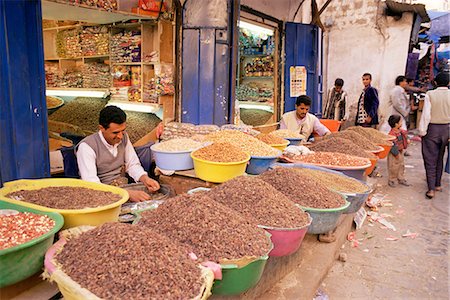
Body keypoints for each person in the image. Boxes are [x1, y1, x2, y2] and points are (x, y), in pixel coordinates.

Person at [77, 106, 160, 202]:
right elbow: (92, 184)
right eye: (115, 132)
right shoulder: (87, 147)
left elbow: (132, 164)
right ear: (102, 128)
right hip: (100, 196)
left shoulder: (124, 137)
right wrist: (127, 194)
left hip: (123, 187)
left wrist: (145, 179)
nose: (120, 136)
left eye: (123, 130)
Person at [418, 72, 450, 199]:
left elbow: (426, 114)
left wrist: (422, 131)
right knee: (440, 157)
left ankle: (431, 188)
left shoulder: (430, 94)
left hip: (432, 129)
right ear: (448, 83)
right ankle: (437, 184)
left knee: (430, 159)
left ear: (435, 82)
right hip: (447, 129)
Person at [387, 115, 411, 187]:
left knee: (401, 165)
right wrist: (396, 153)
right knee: (393, 166)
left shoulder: (400, 132)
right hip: (394, 153)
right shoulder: (391, 134)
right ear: (396, 124)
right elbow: (392, 145)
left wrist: (407, 140)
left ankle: (400, 177)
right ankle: (392, 179)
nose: (401, 123)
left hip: (400, 151)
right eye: (400, 122)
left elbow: (404, 137)